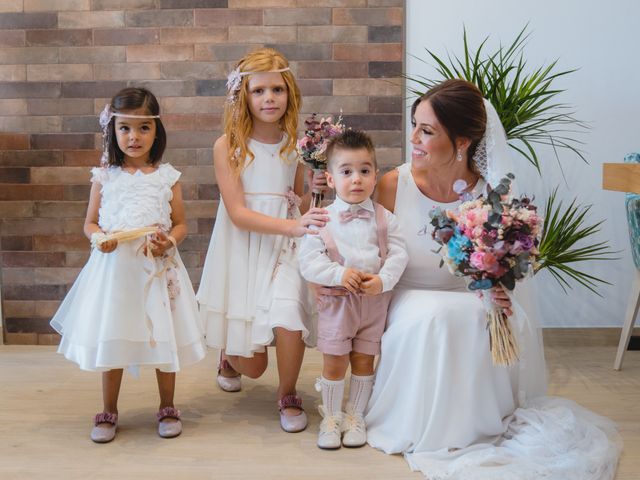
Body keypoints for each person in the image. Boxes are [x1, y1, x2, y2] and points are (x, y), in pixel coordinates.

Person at [365, 79, 621, 479]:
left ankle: (482, 428)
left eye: (427, 130)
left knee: (488, 316)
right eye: (414, 124)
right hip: (410, 294)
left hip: (473, 295)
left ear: (463, 141)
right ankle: (425, 428)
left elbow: (506, 259)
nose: (412, 138)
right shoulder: (392, 185)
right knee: (437, 318)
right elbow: (371, 256)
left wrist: (499, 288)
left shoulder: (490, 192)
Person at [50, 87, 206, 443]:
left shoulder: (168, 177)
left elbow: (180, 223)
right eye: (125, 128)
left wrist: (170, 240)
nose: (134, 137)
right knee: (114, 333)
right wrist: (98, 239)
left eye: (143, 128)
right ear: (113, 131)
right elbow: (90, 222)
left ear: (157, 131)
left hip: (157, 266)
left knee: (164, 334)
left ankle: (167, 405)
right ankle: (109, 410)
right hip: (115, 270)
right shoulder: (104, 177)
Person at [196, 48, 328, 433]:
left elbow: (298, 200)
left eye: (277, 89)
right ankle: (230, 356)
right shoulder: (229, 146)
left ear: (289, 93)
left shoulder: (298, 145)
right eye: (258, 91)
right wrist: (292, 226)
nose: (269, 98)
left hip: (287, 245)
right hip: (244, 244)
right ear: (243, 96)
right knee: (253, 367)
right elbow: (237, 213)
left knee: (289, 314)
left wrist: (314, 190)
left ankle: (288, 394)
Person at [298, 130, 408, 449]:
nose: (356, 179)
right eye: (346, 172)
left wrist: (383, 281)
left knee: (363, 360)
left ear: (375, 175)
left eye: (364, 170)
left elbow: (399, 254)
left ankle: (355, 415)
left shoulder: (385, 219)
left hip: (373, 305)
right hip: (337, 304)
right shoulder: (322, 219)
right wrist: (338, 273)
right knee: (335, 362)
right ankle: (331, 418)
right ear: (331, 179)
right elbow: (308, 261)